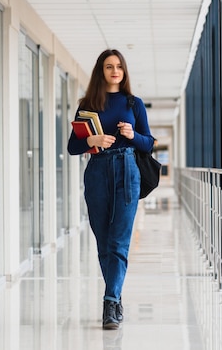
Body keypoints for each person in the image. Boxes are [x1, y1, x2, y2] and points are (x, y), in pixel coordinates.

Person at [67, 48, 155, 330]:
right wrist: (92, 138)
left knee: (118, 240)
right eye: (109, 66)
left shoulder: (134, 103)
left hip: (127, 171)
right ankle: (115, 297)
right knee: (104, 240)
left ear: (124, 71)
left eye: (119, 66)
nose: (115, 70)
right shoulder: (88, 105)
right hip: (97, 171)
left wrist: (132, 135)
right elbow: (72, 147)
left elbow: (149, 143)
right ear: (101, 71)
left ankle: (110, 300)